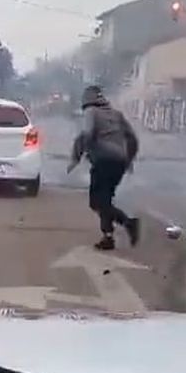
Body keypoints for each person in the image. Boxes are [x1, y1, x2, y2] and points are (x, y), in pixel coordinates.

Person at [68, 86, 141, 251]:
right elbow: (132, 138)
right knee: (105, 200)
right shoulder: (117, 114)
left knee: (96, 202)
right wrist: (128, 159)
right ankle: (108, 237)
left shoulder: (91, 112)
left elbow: (86, 134)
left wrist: (77, 156)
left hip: (103, 161)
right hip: (119, 162)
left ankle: (128, 223)